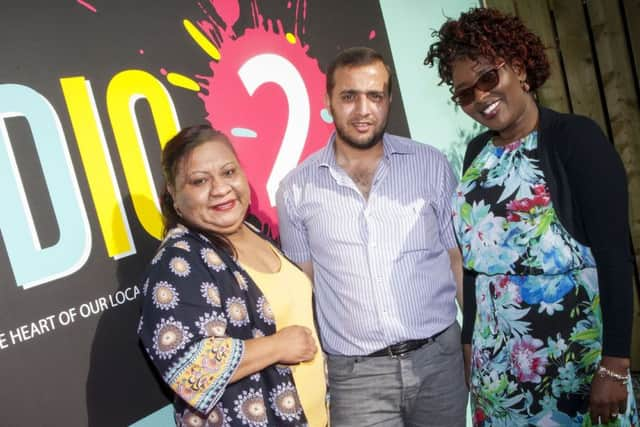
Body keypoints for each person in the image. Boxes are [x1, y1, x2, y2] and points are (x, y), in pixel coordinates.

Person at [425, 7, 639, 426]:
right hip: (497, 374)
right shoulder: (476, 154)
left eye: (488, 78)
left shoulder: (575, 139)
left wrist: (615, 364)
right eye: (465, 93)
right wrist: (471, 346)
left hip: (571, 365)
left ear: (519, 68)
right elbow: (473, 267)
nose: (480, 98)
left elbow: (615, 257)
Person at [276, 46, 467, 426]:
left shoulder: (430, 165)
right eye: (349, 96)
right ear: (328, 100)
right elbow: (304, 290)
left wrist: (472, 342)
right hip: (356, 378)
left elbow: (456, 260)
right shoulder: (295, 190)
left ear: (388, 100)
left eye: (374, 96)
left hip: (439, 361)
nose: (363, 110)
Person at [138, 125, 327, 426]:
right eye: (200, 181)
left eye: (228, 172)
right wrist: (278, 346)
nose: (220, 188)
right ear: (174, 195)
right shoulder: (178, 261)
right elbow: (189, 369)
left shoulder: (252, 232)